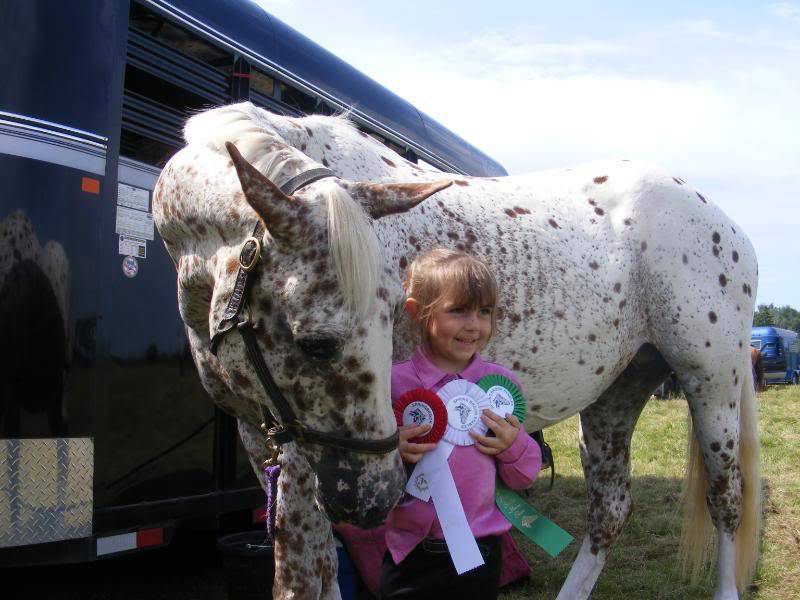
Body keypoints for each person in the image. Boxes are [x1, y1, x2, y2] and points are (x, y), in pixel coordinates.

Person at [380, 248, 541, 600]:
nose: (474, 325)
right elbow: (371, 476)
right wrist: (395, 453)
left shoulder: (498, 387)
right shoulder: (391, 385)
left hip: (480, 556)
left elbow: (525, 474)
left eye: (485, 312)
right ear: (417, 312)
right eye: (458, 310)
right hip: (410, 556)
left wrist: (512, 447)